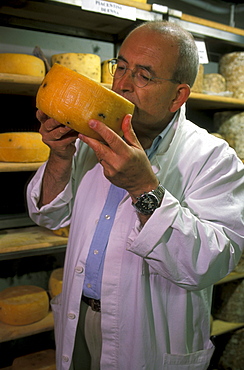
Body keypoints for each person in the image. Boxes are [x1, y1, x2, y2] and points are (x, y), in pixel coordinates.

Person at [27, 20, 244, 370]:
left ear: (178, 95)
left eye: (144, 76)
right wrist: (60, 156)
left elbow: (213, 262)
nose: (123, 84)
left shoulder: (214, 159)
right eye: (121, 67)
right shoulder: (88, 136)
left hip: (149, 339)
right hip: (77, 315)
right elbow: (48, 216)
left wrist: (144, 189)